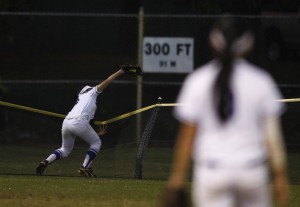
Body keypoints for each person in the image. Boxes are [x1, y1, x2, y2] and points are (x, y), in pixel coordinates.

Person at [164, 17, 289, 207]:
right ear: (248, 45)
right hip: (251, 170)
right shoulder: (261, 81)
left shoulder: (197, 81)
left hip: (212, 171)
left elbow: (187, 136)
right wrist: (280, 175)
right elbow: (272, 136)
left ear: (213, 43)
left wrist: (177, 179)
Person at [36, 65, 141, 177]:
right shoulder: (91, 93)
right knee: (96, 143)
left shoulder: (82, 99)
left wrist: (97, 133)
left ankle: (46, 161)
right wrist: (121, 71)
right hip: (78, 122)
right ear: (87, 90)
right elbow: (108, 80)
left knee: (65, 149)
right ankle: (84, 168)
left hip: (67, 122)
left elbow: (89, 123)